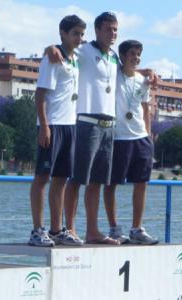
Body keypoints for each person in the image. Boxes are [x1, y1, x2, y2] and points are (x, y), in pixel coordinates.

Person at [47, 12, 157, 245]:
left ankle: (93, 231)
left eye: (115, 29)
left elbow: (129, 73)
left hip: (109, 126)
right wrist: (50, 47)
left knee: (97, 180)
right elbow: (65, 47)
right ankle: (71, 228)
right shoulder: (85, 50)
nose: (112, 33)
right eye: (108, 29)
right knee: (77, 179)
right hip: (87, 122)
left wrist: (145, 71)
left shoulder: (115, 58)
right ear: (97, 30)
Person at [28, 15, 86, 247]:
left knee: (61, 178)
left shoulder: (75, 58)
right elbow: (40, 94)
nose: (79, 38)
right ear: (63, 33)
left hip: (69, 125)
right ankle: (36, 230)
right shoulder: (53, 58)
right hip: (52, 124)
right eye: (75, 34)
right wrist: (44, 125)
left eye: (82, 34)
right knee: (42, 177)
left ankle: (56, 229)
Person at [103, 40, 158, 245]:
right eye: (132, 54)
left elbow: (145, 109)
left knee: (141, 183)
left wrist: (149, 135)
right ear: (123, 56)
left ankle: (136, 228)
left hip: (140, 138)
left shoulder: (143, 80)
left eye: (138, 54)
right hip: (118, 138)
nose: (136, 58)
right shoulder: (113, 75)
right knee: (111, 184)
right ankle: (114, 228)